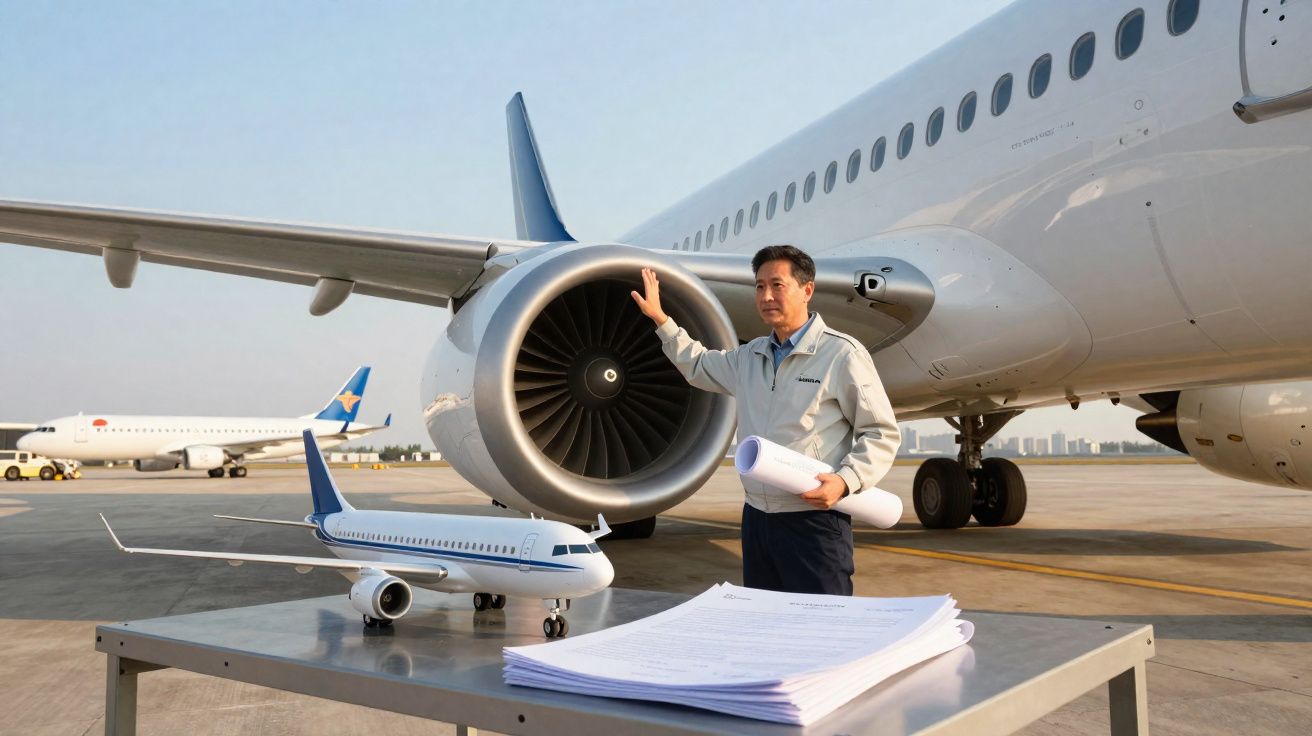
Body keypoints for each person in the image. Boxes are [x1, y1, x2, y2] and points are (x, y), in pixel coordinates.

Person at [631, 245, 900, 595]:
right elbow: (697, 365)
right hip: (757, 518)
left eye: (777, 285)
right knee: (766, 630)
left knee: (820, 633)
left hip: (814, 519)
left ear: (807, 290)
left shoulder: (841, 354)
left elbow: (880, 431)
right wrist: (662, 321)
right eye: (759, 287)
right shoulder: (750, 355)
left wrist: (846, 481)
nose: (766, 296)